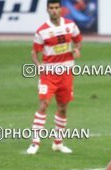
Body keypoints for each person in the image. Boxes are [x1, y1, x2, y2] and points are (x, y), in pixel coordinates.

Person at [27, 0, 82, 155]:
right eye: (51, 8)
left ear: (60, 9)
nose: (54, 11)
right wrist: (38, 66)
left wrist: (77, 50)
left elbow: (78, 42)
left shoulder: (70, 25)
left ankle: (58, 143)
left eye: (56, 8)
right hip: (49, 74)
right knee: (44, 104)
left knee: (63, 108)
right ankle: (35, 143)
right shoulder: (42, 31)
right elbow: (34, 53)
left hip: (66, 73)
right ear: (47, 10)